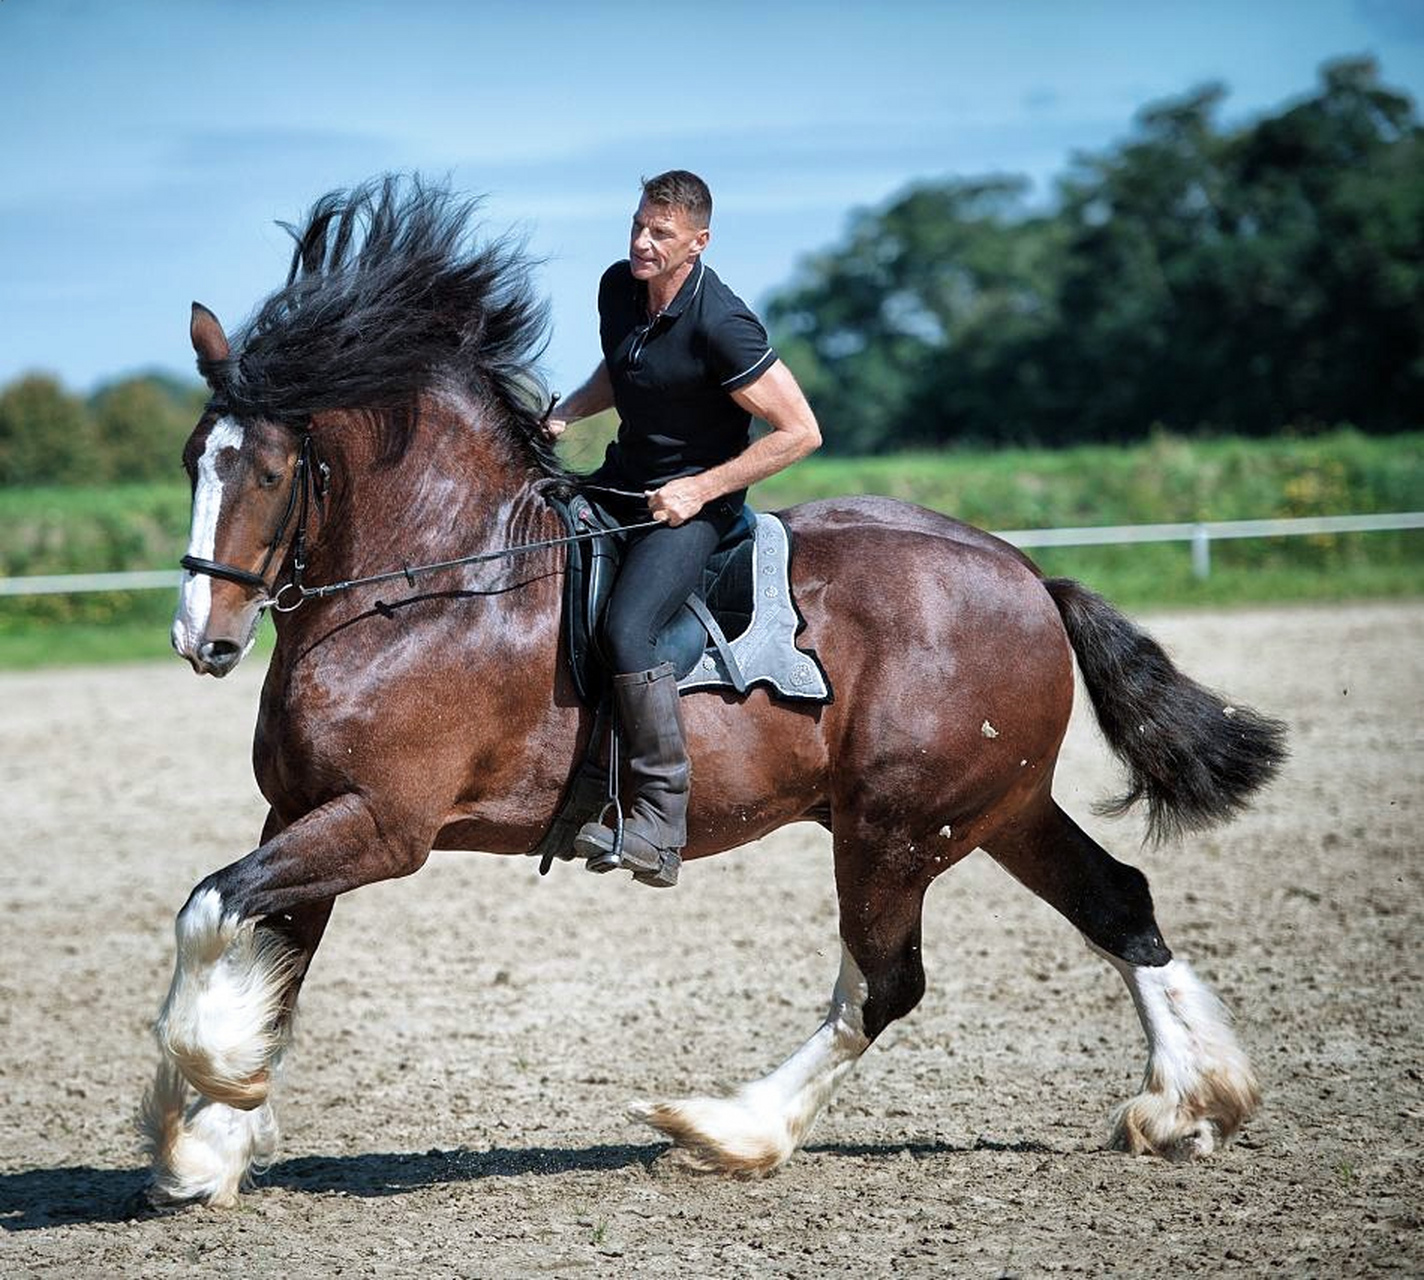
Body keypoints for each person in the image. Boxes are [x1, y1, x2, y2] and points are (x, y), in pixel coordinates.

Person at [545, 170, 821, 888]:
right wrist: (569, 411)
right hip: (621, 481)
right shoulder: (617, 288)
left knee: (627, 629)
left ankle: (661, 825)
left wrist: (700, 488)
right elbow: (626, 367)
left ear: (697, 243)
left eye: (660, 233)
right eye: (638, 225)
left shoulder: (722, 324)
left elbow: (800, 432)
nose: (642, 241)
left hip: (698, 509)